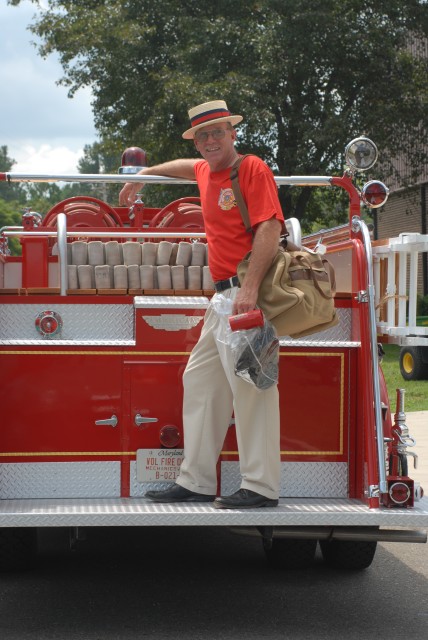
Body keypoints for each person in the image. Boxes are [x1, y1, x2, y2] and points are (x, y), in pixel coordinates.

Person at [119, 100, 284, 509]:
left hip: (245, 292)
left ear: (232, 133)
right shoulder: (205, 170)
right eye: (202, 135)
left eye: (217, 132)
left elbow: (270, 227)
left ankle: (260, 487)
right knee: (200, 380)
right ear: (197, 142)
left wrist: (248, 289)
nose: (211, 140)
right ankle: (195, 480)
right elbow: (181, 167)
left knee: (252, 388)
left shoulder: (250, 168)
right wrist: (146, 173)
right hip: (222, 298)